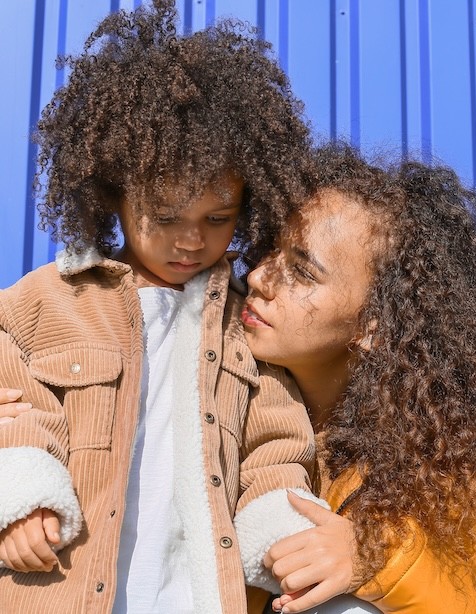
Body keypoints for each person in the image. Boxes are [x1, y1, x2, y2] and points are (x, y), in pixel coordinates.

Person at [0, 2, 326, 612]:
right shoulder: (49, 300)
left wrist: (285, 534)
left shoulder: (247, 324)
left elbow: (276, 447)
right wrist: (18, 493)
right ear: (112, 194)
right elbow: (13, 405)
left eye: (218, 218)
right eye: (165, 216)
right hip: (59, 586)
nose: (191, 241)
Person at [241, 143, 476, 613]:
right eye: (273, 249)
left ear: (372, 325)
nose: (259, 277)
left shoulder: (458, 466)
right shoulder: (215, 394)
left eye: (303, 272)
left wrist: (378, 561)